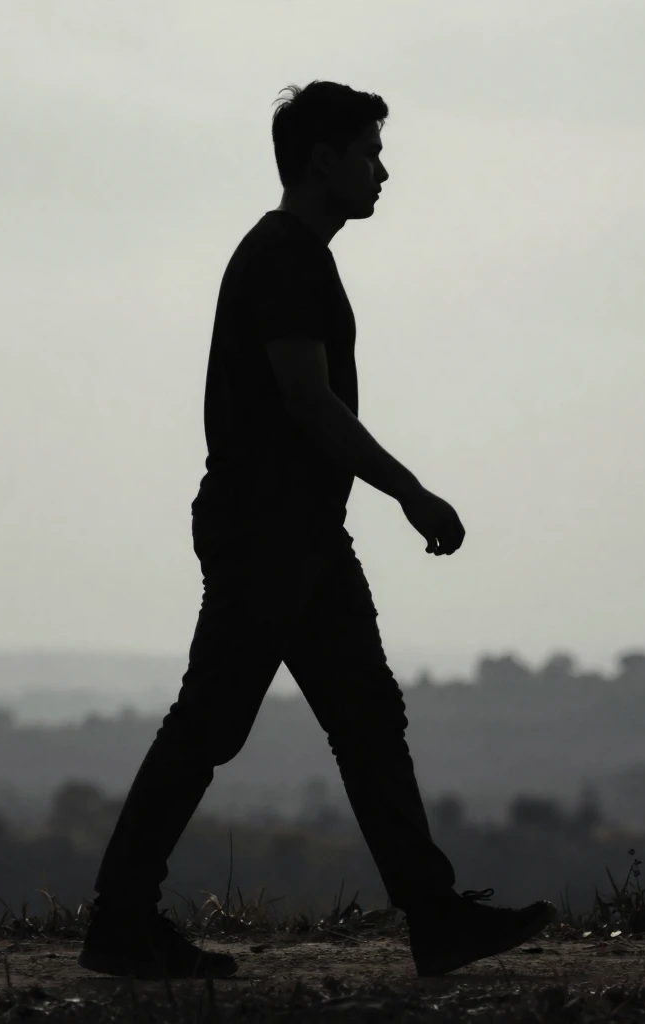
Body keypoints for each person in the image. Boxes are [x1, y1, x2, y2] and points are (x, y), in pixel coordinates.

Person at [79, 80, 556, 980]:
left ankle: (434, 917)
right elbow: (309, 400)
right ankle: (120, 920)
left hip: (299, 535)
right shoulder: (286, 260)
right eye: (369, 153)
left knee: (364, 718)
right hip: (269, 534)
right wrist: (410, 491)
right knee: (212, 724)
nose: (383, 171)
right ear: (322, 160)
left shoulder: (292, 256)